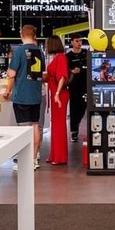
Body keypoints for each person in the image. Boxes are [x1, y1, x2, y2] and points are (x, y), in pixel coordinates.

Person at [3, 24, 44, 169]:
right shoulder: (39, 52)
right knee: (35, 125)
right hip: (36, 94)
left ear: (21, 35)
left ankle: (25, 162)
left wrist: (8, 90)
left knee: (23, 128)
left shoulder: (19, 51)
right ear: (34, 36)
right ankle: (33, 158)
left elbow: (11, 74)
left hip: (22, 95)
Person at [44, 35, 69, 164]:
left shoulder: (60, 58)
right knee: (55, 124)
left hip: (59, 95)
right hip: (56, 94)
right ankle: (55, 155)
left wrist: (57, 93)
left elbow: (62, 76)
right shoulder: (58, 57)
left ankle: (59, 157)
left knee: (59, 125)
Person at [65, 37, 87, 142]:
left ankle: (79, 124)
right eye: (77, 41)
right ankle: (74, 132)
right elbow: (65, 70)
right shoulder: (68, 56)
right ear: (72, 42)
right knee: (74, 109)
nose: (79, 43)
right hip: (73, 86)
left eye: (80, 41)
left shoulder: (86, 53)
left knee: (83, 107)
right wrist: (72, 71)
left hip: (85, 85)